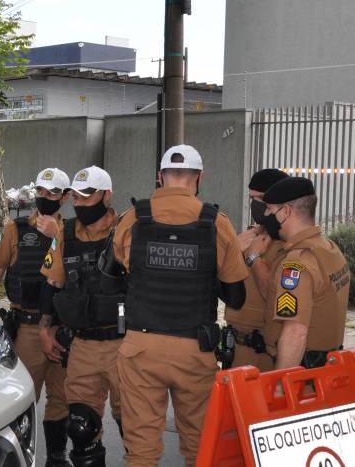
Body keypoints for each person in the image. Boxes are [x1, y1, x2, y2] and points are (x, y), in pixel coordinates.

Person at [111, 145, 248, 467]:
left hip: (140, 348)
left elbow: (117, 275)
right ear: (199, 178)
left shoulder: (132, 219)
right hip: (194, 349)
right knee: (200, 445)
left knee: (141, 450)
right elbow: (236, 297)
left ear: (160, 177)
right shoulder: (218, 224)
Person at [0, 167, 72, 467]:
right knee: (22, 400)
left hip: (64, 329)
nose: (45, 198)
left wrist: (57, 237)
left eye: (52, 193)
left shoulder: (72, 233)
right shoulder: (15, 229)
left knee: (64, 398)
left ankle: (57, 456)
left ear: (65, 198)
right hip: (28, 328)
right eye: (41, 192)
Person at [39, 166, 124, 467]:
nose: (81, 203)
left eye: (88, 197)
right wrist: (45, 328)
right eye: (76, 197)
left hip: (123, 344)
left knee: (133, 427)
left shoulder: (126, 231)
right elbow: (52, 283)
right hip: (83, 345)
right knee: (81, 427)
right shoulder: (66, 233)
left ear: (107, 195)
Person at [255, 176, 351, 370]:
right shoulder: (329, 248)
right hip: (327, 368)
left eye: (270, 209)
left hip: (303, 377)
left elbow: (295, 333)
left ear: (285, 212)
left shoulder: (296, 263)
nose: (265, 215)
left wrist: (282, 385)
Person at [225, 168, 289, 371]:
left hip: (264, 351)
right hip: (235, 346)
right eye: (251, 197)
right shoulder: (249, 236)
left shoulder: (288, 245)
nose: (255, 204)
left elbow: (276, 296)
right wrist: (233, 249)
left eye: (260, 198)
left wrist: (254, 257)